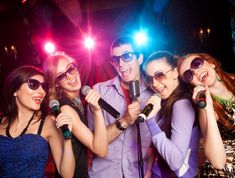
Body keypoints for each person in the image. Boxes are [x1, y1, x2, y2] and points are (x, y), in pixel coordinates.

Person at [87, 37, 153, 178]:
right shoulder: (99, 92)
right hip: (103, 174)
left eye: (127, 56)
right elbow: (94, 141)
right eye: (116, 59)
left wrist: (148, 170)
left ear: (140, 58)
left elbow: (157, 140)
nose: (121, 64)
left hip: (138, 174)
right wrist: (126, 120)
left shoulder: (154, 94)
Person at [0, 65, 75, 178]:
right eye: (33, 84)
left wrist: (67, 139)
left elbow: (67, 175)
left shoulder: (48, 123)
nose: (42, 92)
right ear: (15, 90)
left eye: (44, 86)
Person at [43, 52, 108, 178]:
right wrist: (97, 111)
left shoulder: (76, 102)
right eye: (61, 76)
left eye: (70, 69)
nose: (69, 76)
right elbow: (101, 150)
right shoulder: (66, 108)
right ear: (56, 83)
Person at [141, 51, 200, 177]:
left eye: (160, 75)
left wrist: (150, 121)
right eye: (149, 78)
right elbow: (158, 143)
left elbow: (175, 162)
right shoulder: (167, 101)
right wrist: (149, 169)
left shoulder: (182, 104)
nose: (154, 84)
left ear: (174, 72)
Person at [177, 53, 235, 177]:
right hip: (226, 168)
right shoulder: (204, 107)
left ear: (211, 63)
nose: (196, 72)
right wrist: (207, 108)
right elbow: (218, 163)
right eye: (188, 75)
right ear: (191, 84)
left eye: (197, 64)